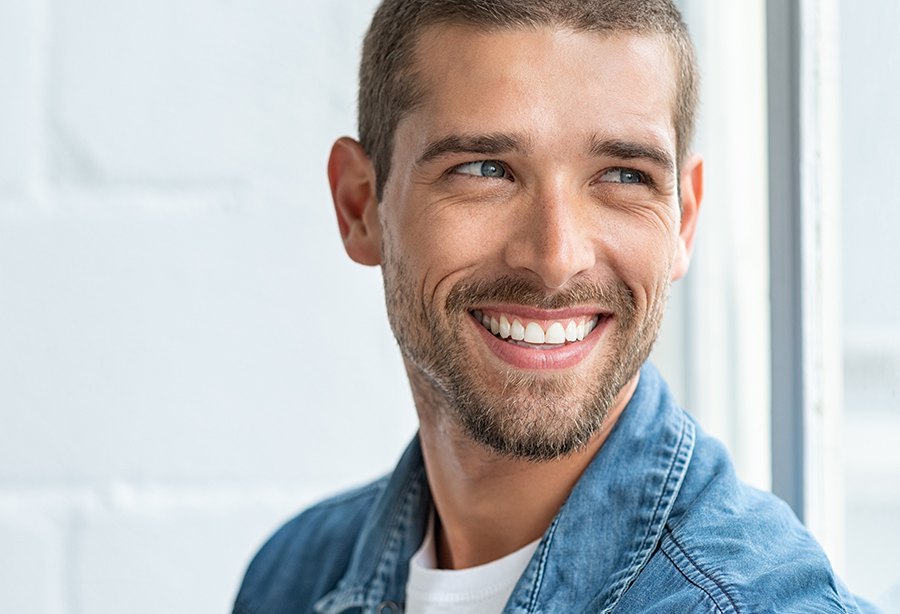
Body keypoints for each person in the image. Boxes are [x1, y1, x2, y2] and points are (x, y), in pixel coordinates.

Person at [234, 1, 876, 612]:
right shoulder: (292, 577)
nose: (555, 256)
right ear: (359, 206)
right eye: (485, 169)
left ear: (683, 219)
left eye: (625, 176)